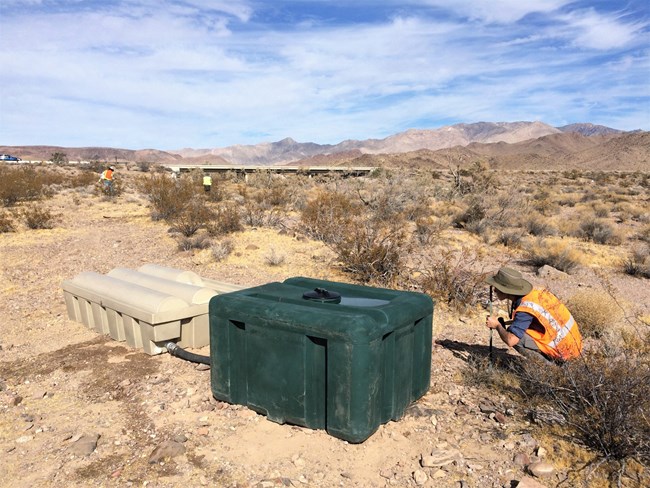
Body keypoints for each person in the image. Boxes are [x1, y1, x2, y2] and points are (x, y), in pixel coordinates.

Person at [484, 267, 582, 362]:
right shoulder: (535, 293)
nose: (495, 291)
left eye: (497, 288)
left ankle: (549, 369)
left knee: (515, 336)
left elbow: (511, 340)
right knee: (515, 329)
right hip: (574, 346)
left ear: (506, 290)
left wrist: (497, 325)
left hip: (566, 353)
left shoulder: (526, 307)